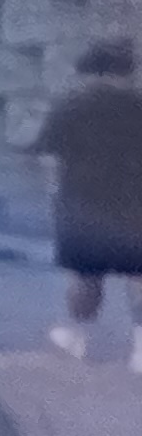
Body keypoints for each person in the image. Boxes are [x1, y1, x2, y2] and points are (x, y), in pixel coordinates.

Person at [37, 40, 142, 365]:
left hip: (83, 200)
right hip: (134, 200)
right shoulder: (139, 105)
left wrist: (53, 193)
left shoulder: (71, 105)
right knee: (138, 275)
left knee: (86, 275)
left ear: (90, 72)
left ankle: (80, 338)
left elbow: (46, 153)